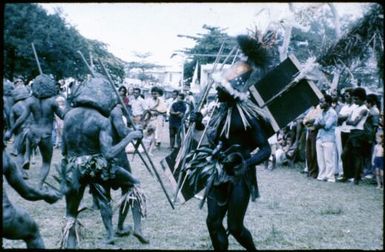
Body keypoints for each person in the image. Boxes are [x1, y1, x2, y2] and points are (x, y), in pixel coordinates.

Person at [187, 34, 272, 250]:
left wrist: (247, 163)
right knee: (213, 222)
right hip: (218, 172)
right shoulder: (219, 113)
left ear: (232, 92)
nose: (216, 90)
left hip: (239, 176)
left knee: (235, 227)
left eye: (220, 88)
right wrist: (197, 125)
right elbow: (208, 139)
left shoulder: (249, 118)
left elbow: (266, 148)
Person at [60, 76, 143, 248]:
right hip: (96, 166)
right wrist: (130, 136)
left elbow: (64, 151)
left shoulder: (68, 117)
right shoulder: (101, 120)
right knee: (133, 184)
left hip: (73, 167)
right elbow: (109, 154)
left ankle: (71, 241)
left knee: (71, 211)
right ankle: (112, 233)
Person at [4, 74, 66, 189]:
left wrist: (10, 131)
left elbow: (22, 119)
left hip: (33, 132)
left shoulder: (30, 101)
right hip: (46, 134)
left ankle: (27, 156)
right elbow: (63, 116)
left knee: (29, 135)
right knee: (46, 162)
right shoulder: (52, 102)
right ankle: (39, 185)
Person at [2, 148, 62, 249]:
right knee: (32, 232)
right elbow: (27, 192)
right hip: (5, 218)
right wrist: (46, 194)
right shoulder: (3, 155)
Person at [108, 103, 149, 244]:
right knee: (132, 190)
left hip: (99, 159)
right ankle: (134, 228)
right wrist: (135, 132)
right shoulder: (115, 111)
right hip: (117, 158)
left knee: (104, 196)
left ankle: (115, 229)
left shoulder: (94, 112)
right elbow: (122, 132)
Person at [340, 87, 369, 185]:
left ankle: (356, 178)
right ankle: (346, 175)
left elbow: (354, 122)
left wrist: (348, 121)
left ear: (362, 98)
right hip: (352, 133)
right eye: (354, 98)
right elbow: (349, 120)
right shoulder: (356, 107)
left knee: (357, 156)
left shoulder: (364, 109)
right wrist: (349, 121)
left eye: (356, 99)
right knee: (344, 155)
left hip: (359, 133)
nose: (354, 100)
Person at [9, 85, 34, 179]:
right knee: (28, 149)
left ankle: (22, 172)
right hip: (33, 131)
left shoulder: (14, 107)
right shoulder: (32, 104)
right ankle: (28, 157)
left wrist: (13, 133)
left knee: (20, 153)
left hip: (21, 131)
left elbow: (12, 123)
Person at [312, 95, 338, 182]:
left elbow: (327, 126)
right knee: (320, 158)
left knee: (328, 159)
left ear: (328, 103)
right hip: (320, 137)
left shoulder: (333, 113)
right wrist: (320, 124)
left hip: (329, 138)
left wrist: (320, 124)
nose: (320, 104)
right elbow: (315, 125)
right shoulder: (321, 112)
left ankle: (330, 177)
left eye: (322, 102)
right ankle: (322, 175)